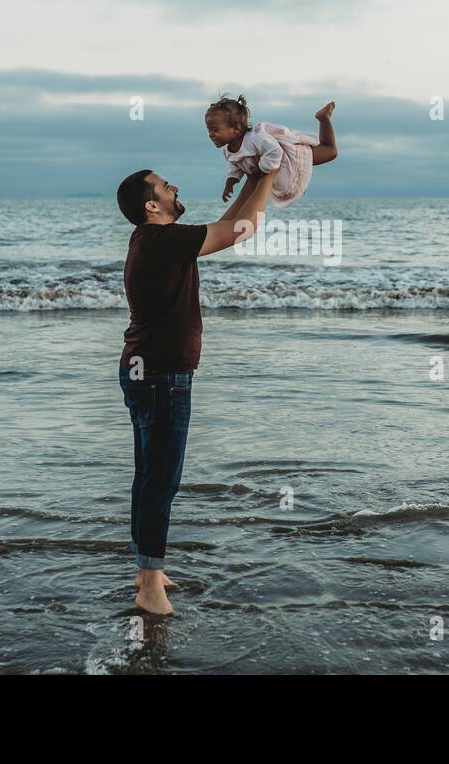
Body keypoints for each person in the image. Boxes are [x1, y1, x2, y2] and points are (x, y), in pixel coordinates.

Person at [115, 165, 279, 615]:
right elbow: (242, 230)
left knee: (149, 475)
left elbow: (228, 224)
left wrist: (254, 177)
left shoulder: (154, 240)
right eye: (165, 186)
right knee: (161, 479)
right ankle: (150, 585)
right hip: (160, 376)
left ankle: (147, 568)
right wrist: (270, 171)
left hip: (146, 372)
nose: (174, 187)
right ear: (152, 205)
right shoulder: (163, 240)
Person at [206, 95, 338, 208]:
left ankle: (323, 118)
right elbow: (235, 163)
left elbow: (275, 151)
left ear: (236, 128)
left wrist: (261, 168)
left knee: (330, 151)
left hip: (292, 157)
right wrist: (231, 180)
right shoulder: (228, 151)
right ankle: (298, 182)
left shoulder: (255, 139)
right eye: (209, 130)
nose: (211, 134)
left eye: (215, 130)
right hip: (280, 168)